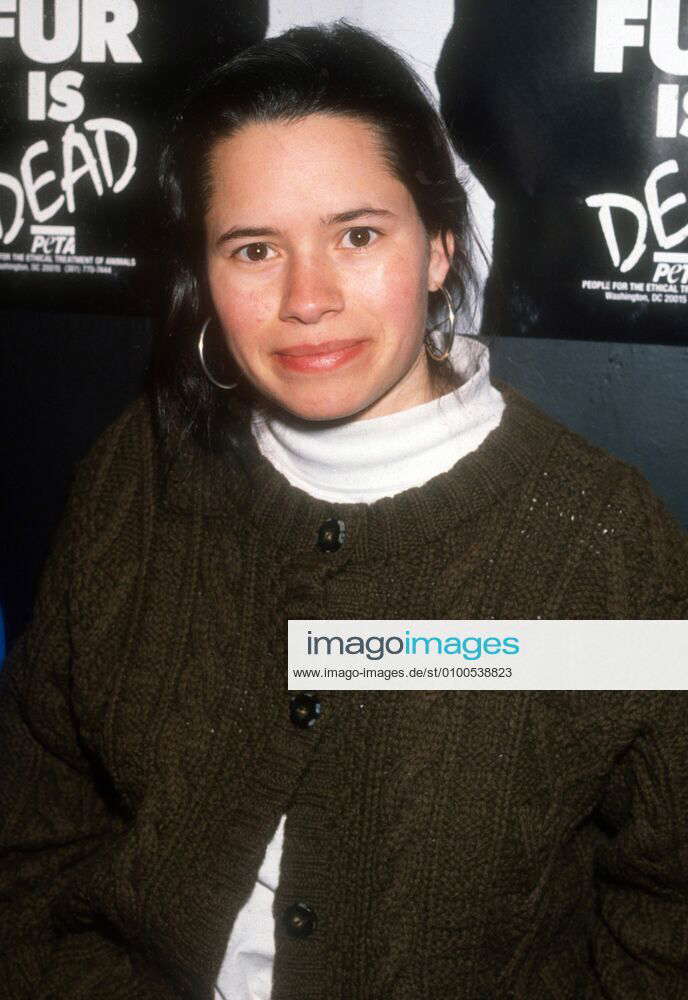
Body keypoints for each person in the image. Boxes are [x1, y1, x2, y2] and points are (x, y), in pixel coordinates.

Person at [1, 20, 687, 1000]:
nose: (307, 297)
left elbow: (670, 904)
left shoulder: (599, 547)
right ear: (205, 276)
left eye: (357, 234)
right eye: (252, 248)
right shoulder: (135, 480)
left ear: (439, 246)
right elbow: (35, 816)